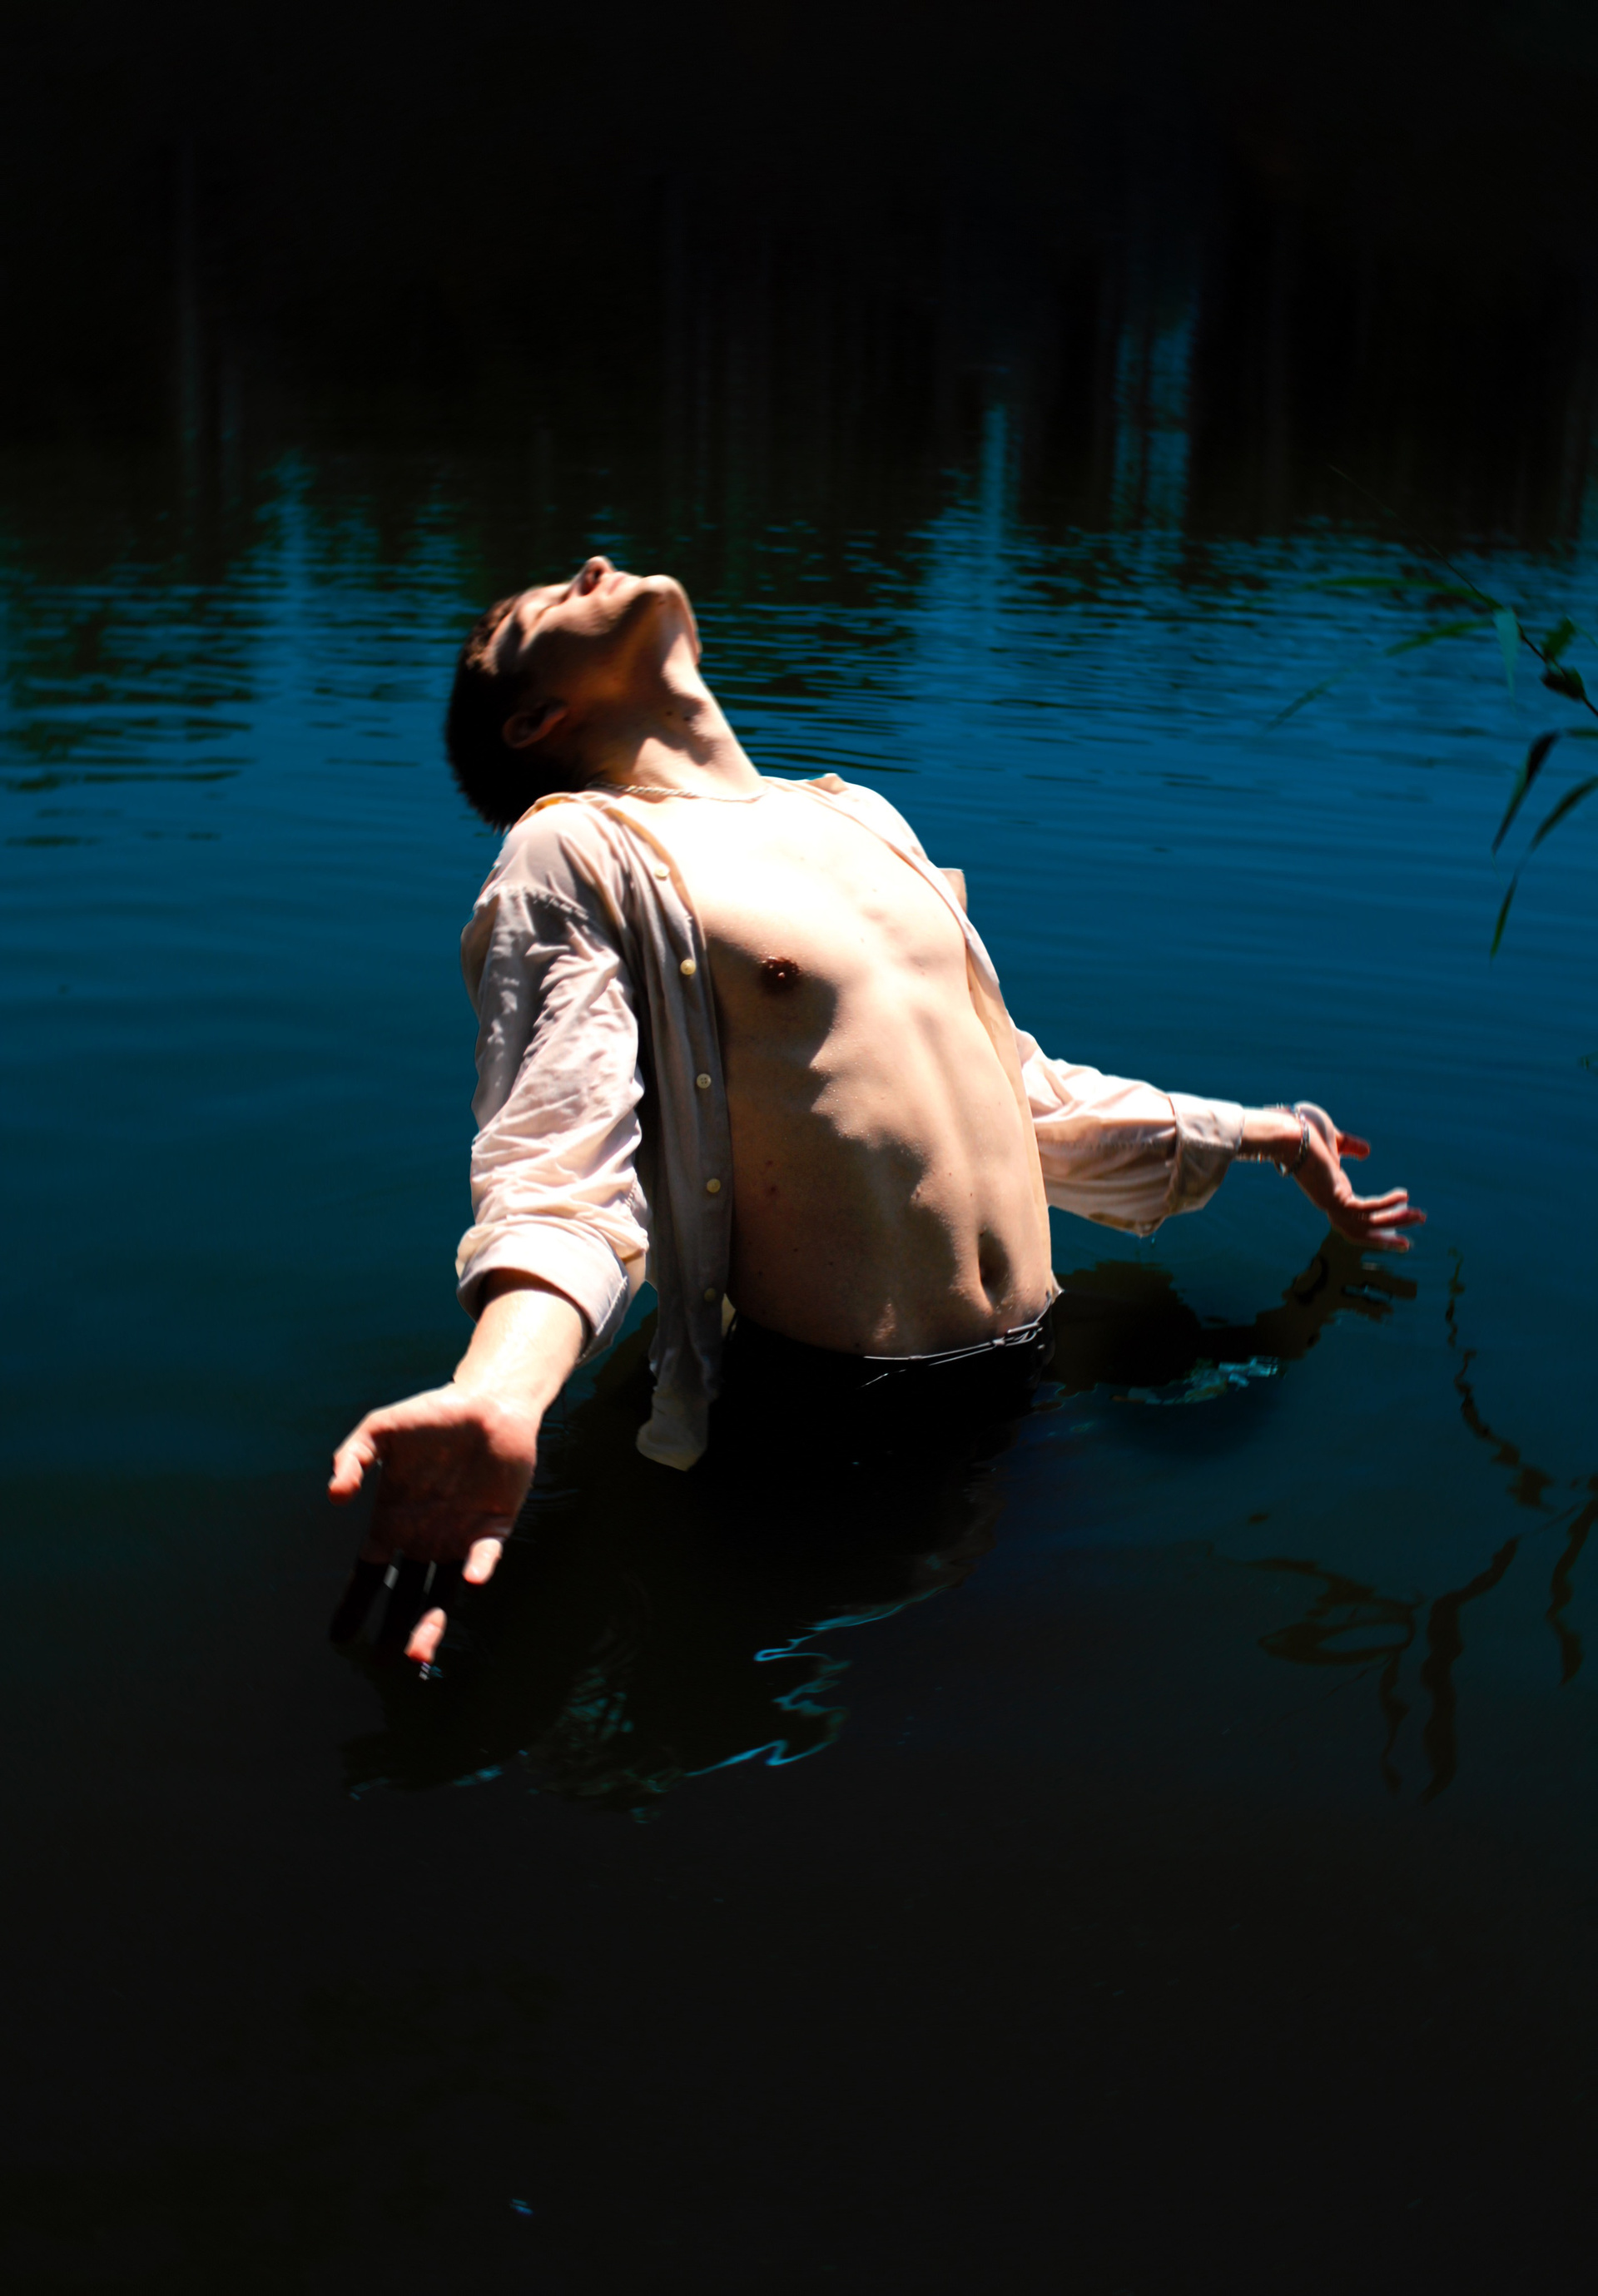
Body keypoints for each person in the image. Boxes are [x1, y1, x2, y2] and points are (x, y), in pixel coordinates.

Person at [329, 557, 1424, 1667]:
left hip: (1029, 1377)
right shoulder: (573, 854)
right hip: (826, 1429)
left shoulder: (860, 818)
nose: (591, 567)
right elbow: (561, 1173)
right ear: (534, 720)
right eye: (536, 611)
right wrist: (500, 1394)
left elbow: (1012, 1094)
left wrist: (1254, 1131)